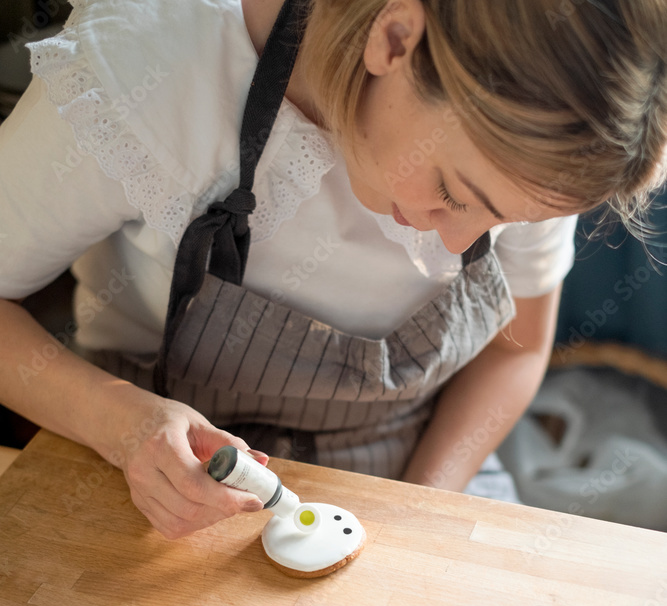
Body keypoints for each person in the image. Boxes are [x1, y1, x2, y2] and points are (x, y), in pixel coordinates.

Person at [0, 0, 665, 538]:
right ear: (395, 39)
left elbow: (515, 350)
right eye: (456, 193)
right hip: (162, 477)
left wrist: (416, 513)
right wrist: (121, 425)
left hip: (413, 462)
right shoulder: (145, 68)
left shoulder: (546, 136)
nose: (458, 241)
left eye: (501, 221)